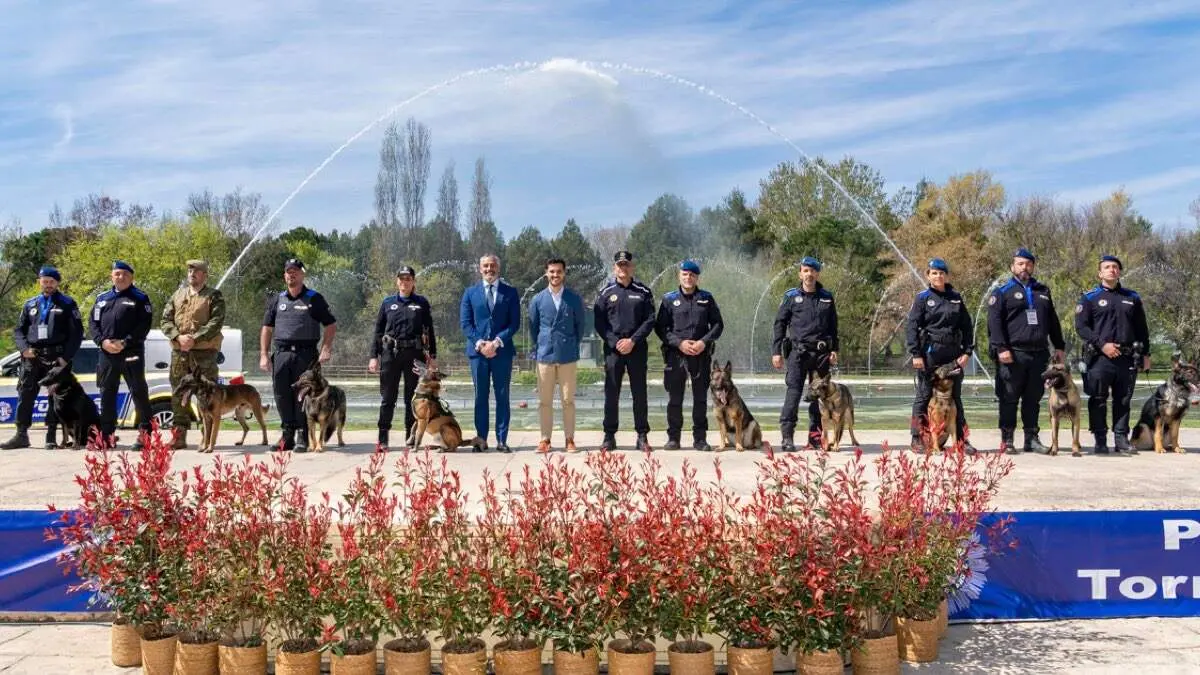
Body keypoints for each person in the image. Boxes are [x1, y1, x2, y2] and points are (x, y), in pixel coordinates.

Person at [986, 248, 1066, 454]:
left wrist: (1059, 346)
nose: (1025, 267)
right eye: (1020, 263)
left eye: (1029, 264)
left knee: (1033, 398)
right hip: (1013, 353)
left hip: (1038, 353)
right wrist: (1001, 348)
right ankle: (1008, 439)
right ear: (1012, 266)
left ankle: (1031, 438)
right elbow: (994, 323)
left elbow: (1053, 321)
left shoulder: (1043, 291)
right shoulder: (1002, 292)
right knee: (1009, 397)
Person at [1075, 254, 1150, 455]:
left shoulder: (1131, 297)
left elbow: (1142, 328)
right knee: (1098, 398)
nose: (1112, 270)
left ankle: (1120, 438)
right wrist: (1103, 344)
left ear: (1119, 271)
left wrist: (1146, 354)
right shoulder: (1089, 297)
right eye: (1107, 267)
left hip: (1126, 357)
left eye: (1115, 267)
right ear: (1100, 272)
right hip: (1100, 357)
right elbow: (1081, 327)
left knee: (1123, 399)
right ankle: (1100, 439)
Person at [1, 266, 83, 450]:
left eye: (51, 282)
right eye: (44, 281)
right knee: (25, 394)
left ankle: (51, 437)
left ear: (57, 283)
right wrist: (23, 349)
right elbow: (19, 331)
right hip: (32, 357)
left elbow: (77, 334)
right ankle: (21, 435)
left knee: (55, 397)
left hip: (56, 358)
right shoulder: (30, 304)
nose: (48, 285)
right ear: (39, 281)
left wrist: (65, 358)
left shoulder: (67, 303)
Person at [259, 258, 336, 452]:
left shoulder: (314, 298)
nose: (291, 274)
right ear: (284, 275)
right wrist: (264, 354)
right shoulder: (277, 299)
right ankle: (287, 434)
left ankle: (303, 434)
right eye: (288, 271)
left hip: (305, 355)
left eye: (295, 271)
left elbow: (330, 324)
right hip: (282, 354)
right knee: (282, 394)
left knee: (304, 395)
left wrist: (326, 348)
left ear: (302, 274)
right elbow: (267, 328)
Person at [906, 258, 976, 453]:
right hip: (930, 355)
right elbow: (911, 327)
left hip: (953, 354)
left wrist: (967, 352)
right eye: (934, 273)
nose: (938, 276)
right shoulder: (922, 298)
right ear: (928, 275)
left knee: (956, 398)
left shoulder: (956, 298)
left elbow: (967, 326)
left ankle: (962, 440)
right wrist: (915, 353)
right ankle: (917, 437)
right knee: (923, 396)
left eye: (942, 273)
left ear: (947, 275)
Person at [654, 259, 724, 451]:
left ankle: (700, 439)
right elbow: (660, 328)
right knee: (675, 398)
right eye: (685, 274)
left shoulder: (706, 298)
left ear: (697, 277)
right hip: (676, 355)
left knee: (700, 399)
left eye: (692, 275)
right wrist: (679, 343)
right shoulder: (669, 300)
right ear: (680, 275)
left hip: (700, 355)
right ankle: (673, 438)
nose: (688, 278)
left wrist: (703, 342)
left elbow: (718, 325)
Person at [772, 256, 838, 452]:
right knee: (793, 394)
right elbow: (780, 324)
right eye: (806, 270)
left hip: (821, 354)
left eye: (813, 271)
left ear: (818, 274)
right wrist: (776, 351)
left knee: (819, 396)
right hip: (798, 354)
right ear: (800, 273)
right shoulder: (791, 296)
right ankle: (787, 437)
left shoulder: (826, 296)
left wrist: (835, 349)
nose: (809, 274)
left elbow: (833, 326)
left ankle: (815, 437)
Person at [369, 265, 436, 450]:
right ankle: (383, 439)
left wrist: (433, 356)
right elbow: (378, 331)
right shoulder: (387, 302)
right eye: (401, 278)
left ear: (413, 281)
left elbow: (429, 331)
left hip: (414, 355)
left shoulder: (421, 303)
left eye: (408, 279)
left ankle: (410, 437)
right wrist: (373, 356)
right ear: (397, 281)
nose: (404, 282)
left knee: (411, 399)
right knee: (387, 398)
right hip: (390, 354)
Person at [160, 259, 226, 450]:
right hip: (180, 352)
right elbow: (165, 321)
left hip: (204, 353)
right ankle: (179, 435)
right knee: (178, 391)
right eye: (190, 270)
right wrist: (177, 337)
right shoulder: (178, 295)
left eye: (196, 271)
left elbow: (216, 322)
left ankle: (207, 437)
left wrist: (194, 338)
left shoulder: (214, 296)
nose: (192, 274)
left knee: (207, 393)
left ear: (205, 275)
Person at [594, 250, 656, 452]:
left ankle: (642, 436)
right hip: (614, 351)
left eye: (626, 265)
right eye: (620, 265)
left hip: (637, 349)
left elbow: (650, 320)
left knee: (640, 393)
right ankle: (609, 436)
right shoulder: (605, 292)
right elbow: (599, 322)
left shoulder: (643, 292)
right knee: (611, 393)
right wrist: (615, 342)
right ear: (614, 268)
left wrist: (632, 341)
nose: (623, 268)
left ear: (632, 267)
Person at [459, 253, 520, 453]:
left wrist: (496, 343)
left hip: (501, 352)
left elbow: (514, 323)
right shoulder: (470, 293)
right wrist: (481, 343)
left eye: (492, 266)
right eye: (485, 266)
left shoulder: (510, 292)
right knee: (480, 397)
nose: (489, 269)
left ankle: (502, 440)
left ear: (498, 268)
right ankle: (481, 439)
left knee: (502, 396)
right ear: (480, 269)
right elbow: (466, 324)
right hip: (478, 354)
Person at [90, 260, 154, 449]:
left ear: (131, 277)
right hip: (107, 353)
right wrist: (102, 342)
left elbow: (144, 325)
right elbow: (93, 324)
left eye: (125, 274)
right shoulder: (102, 298)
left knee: (138, 392)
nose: (121, 277)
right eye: (117, 273)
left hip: (131, 352)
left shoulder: (140, 298)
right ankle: (107, 435)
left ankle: (145, 434)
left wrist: (125, 342)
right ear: (112, 276)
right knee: (107, 393)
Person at [528, 257, 585, 454]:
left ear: (564, 273)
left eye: (559, 271)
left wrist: (570, 345)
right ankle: (545, 439)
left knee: (568, 400)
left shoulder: (574, 298)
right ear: (546, 273)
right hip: (545, 355)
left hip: (567, 355)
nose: (555, 275)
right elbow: (533, 328)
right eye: (552, 271)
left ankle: (570, 438)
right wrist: (543, 344)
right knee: (544, 401)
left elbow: (580, 328)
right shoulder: (537, 300)